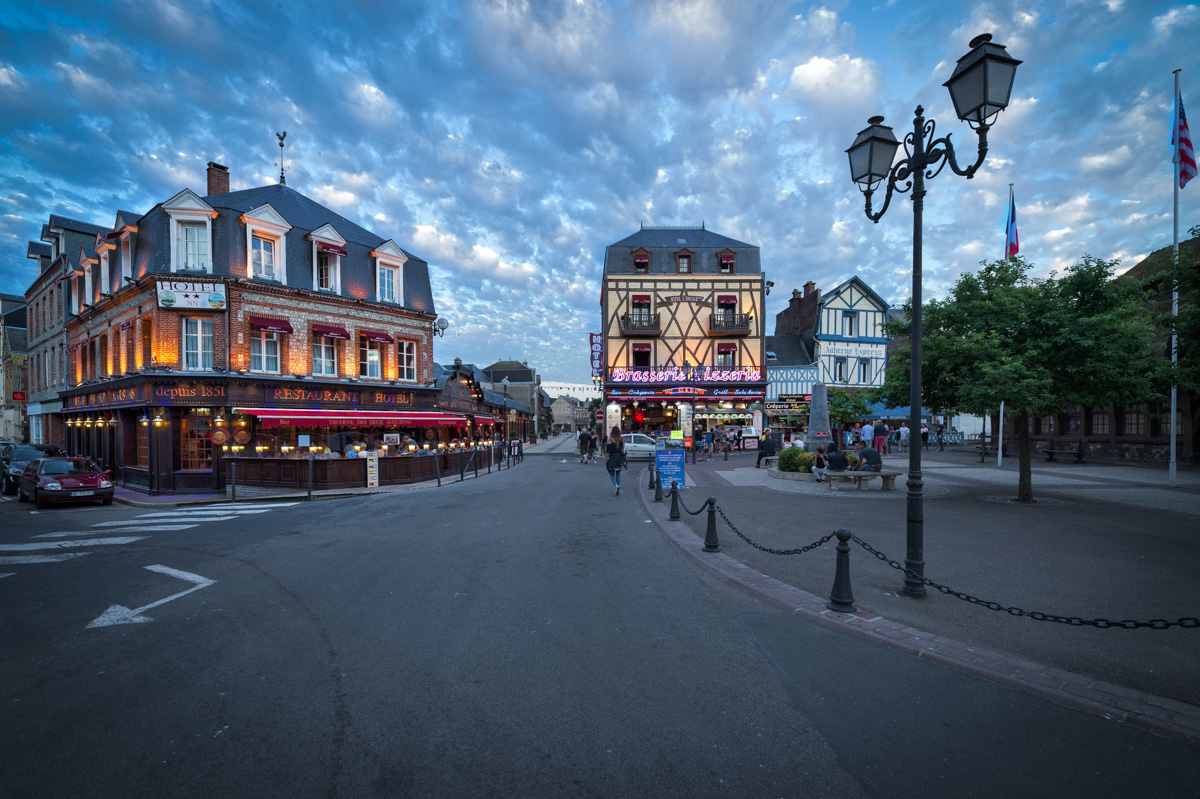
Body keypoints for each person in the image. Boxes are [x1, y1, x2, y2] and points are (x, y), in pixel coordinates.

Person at [605, 426, 627, 495]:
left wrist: (605, 459)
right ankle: (617, 487)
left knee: (611, 474)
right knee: (618, 474)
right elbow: (623, 450)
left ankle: (616, 486)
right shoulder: (621, 440)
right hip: (620, 459)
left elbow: (608, 452)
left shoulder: (610, 440)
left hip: (612, 458)